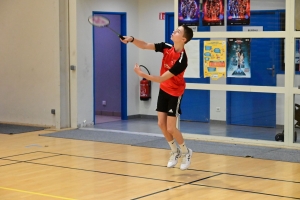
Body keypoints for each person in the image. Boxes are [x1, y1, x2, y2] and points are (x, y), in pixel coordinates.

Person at [121, 25, 193, 170]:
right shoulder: (166, 47)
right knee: (161, 124)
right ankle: (174, 151)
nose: (174, 32)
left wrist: (143, 75)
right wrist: (132, 39)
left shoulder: (182, 60)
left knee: (171, 128)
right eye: (175, 30)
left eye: (178, 31)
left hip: (175, 92)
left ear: (183, 39)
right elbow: (146, 45)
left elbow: (161, 78)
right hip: (164, 90)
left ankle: (186, 152)